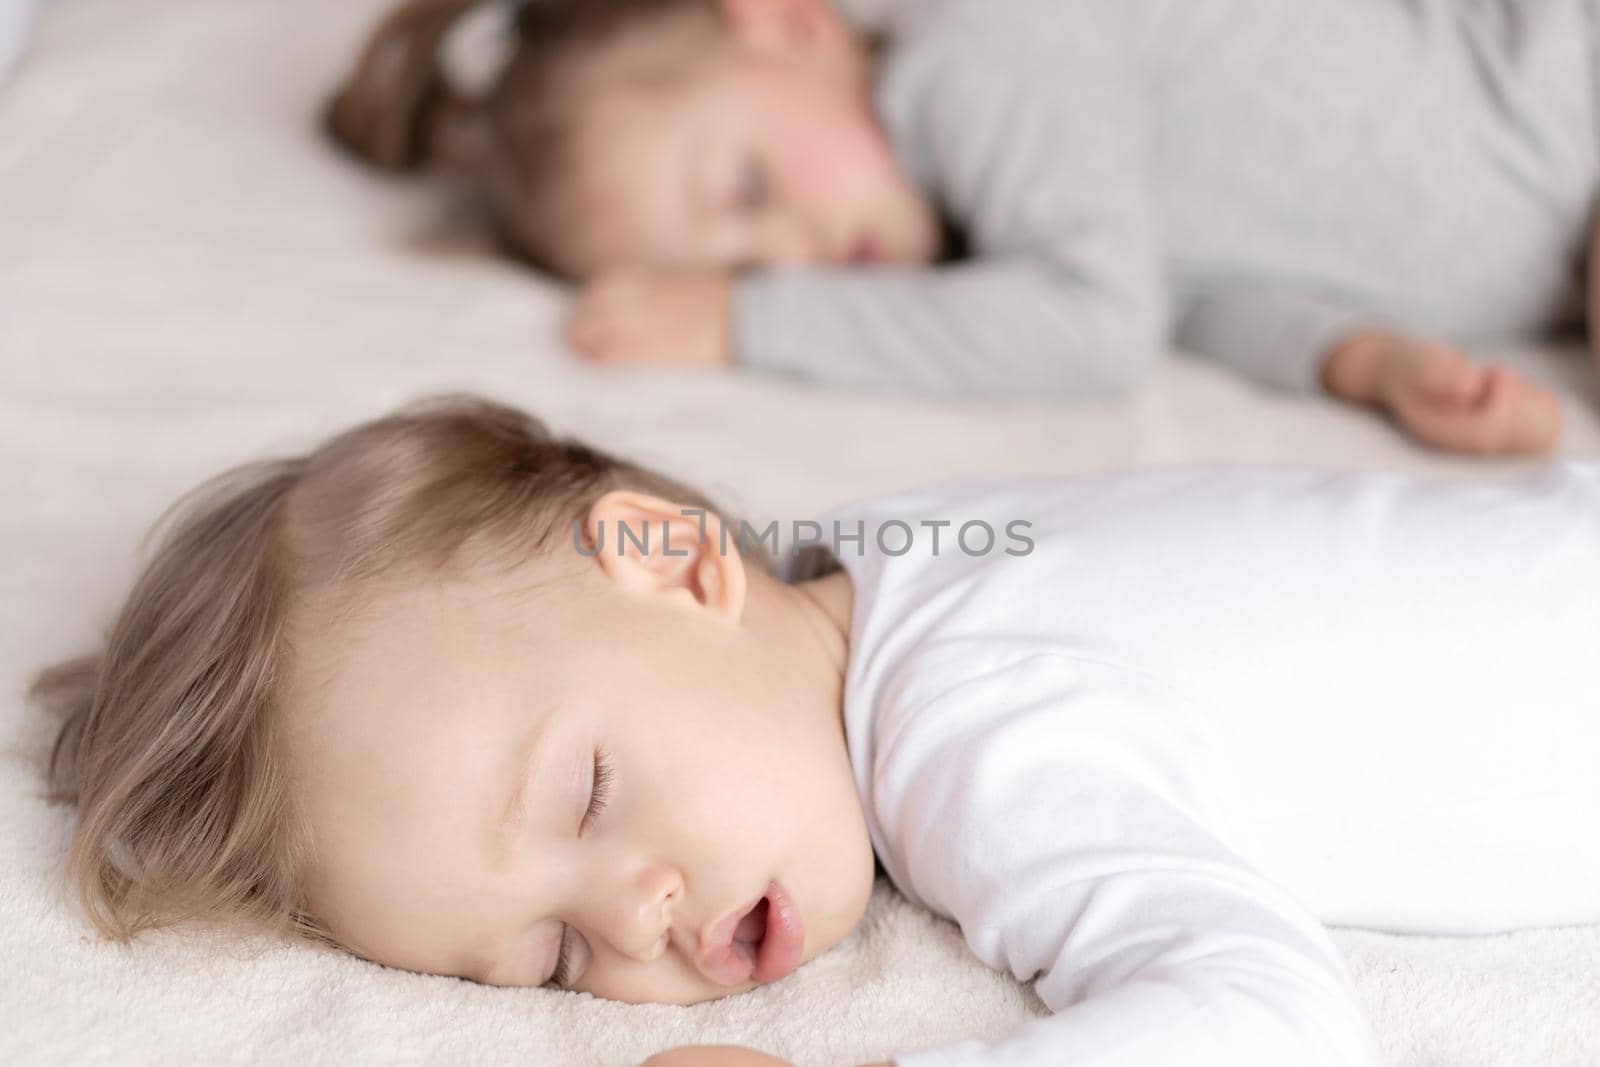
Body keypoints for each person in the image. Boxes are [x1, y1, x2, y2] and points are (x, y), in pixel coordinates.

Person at [36, 394, 1600, 1066]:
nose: (635, 917)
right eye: (555, 959)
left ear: (680, 554)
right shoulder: (893, 555)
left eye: (588, 790)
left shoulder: (972, 736)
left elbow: (1272, 1021)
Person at [326, 0, 1599, 457]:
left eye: (750, 191)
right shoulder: (999, 234)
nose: (795, 255)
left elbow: (1097, 330)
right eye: (740, 262)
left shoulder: (977, 48)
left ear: (785, 18)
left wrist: (745, 321)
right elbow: (1191, 299)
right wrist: (1369, 363)